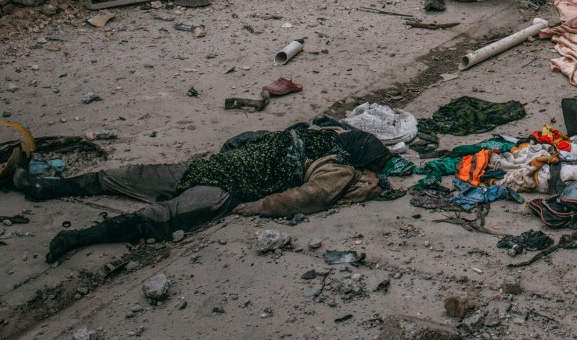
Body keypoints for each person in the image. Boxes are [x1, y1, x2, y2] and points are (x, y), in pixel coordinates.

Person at [12, 120, 390, 263]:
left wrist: (258, 206)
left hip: (223, 183)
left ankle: (77, 237)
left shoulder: (330, 159)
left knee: (157, 212)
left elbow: (307, 196)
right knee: (130, 176)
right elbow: (256, 142)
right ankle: (46, 188)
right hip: (214, 171)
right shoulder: (325, 144)